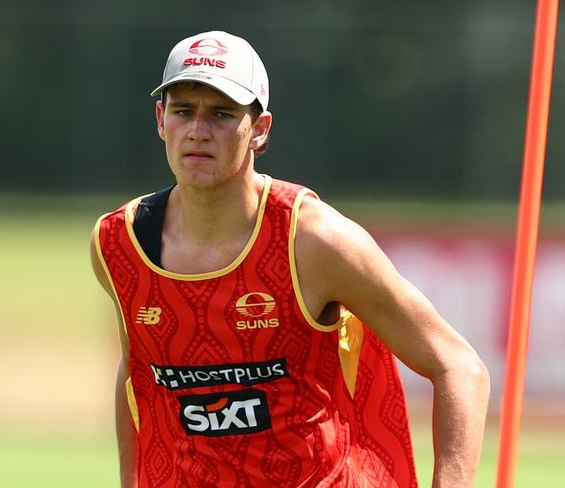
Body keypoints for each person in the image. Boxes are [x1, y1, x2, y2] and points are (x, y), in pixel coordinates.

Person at [90, 30, 490, 488]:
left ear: (259, 130)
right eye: (184, 111)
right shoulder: (119, 243)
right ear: (161, 120)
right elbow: (138, 376)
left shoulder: (315, 240)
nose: (199, 130)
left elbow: (459, 365)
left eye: (222, 114)